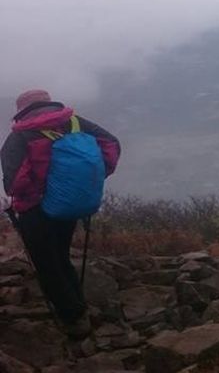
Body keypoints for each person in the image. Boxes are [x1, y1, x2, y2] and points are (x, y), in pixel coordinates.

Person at [1, 90, 121, 339]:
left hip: (36, 209)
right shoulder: (76, 123)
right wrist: (92, 179)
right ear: (48, 103)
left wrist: (33, 191)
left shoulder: (20, 136)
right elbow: (111, 145)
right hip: (69, 204)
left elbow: (13, 184)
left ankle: (73, 318)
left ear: (23, 111)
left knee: (46, 264)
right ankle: (78, 306)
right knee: (60, 256)